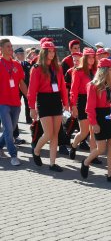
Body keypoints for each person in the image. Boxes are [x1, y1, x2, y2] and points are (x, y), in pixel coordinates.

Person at [28, 41, 69, 171]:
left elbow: (62, 86)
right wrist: (31, 108)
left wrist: (66, 103)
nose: (51, 54)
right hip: (44, 100)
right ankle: (36, 150)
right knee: (48, 133)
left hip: (56, 100)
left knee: (55, 134)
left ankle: (52, 163)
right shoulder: (36, 68)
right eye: (49, 51)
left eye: (53, 51)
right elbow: (32, 90)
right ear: (43, 52)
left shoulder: (58, 67)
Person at [82, 58, 111, 183]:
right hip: (99, 117)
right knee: (101, 148)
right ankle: (86, 162)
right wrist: (94, 123)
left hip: (110, 116)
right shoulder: (93, 85)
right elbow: (89, 108)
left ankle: (110, 174)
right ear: (105, 70)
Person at [0, 39, 28, 165]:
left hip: (16, 103)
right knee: (9, 130)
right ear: (1, 49)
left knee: (9, 130)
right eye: (8, 47)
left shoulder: (17, 65)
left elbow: (21, 83)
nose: (11, 49)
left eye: (11, 46)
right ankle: (13, 155)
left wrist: (29, 98)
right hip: (3, 103)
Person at [69, 48, 97, 159]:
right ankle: (74, 145)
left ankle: (93, 155)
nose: (92, 59)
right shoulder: (78, 71)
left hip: (94, 101)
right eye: (89, 57)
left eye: (93, 57)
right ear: (84, 58)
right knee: (84, 132)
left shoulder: (95, 71)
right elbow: (73, 90)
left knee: (93, 131)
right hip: (82, 101)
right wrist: (73, 106)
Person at [14, 47, 32, 123]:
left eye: (23, 53)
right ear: (16, 55)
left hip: (26, 86)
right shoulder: (13, 64)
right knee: (16, 104)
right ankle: (15, 118)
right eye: (20, 54)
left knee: (28, 103)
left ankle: (29, 119)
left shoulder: (28, 64)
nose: (22, 55)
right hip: (17, 87)